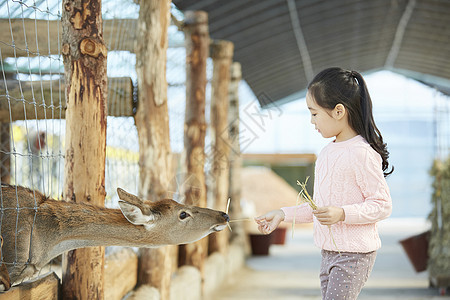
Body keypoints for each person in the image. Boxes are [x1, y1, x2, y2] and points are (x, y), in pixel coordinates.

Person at [255, 67, 393, 300]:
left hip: (354, 254)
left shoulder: (362, 153)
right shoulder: (327, 153)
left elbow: (382, 205)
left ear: (339, 111)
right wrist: (282, 213)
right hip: (329, 252)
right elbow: (318, 207)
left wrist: (342, 213)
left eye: (314, 113)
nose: (311, 121)